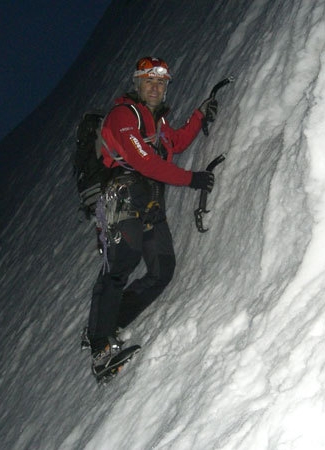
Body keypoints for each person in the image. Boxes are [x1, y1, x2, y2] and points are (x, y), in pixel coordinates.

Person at [87, 56, 219, 374]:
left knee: (162, 270)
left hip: (149, 203)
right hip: (122, 199)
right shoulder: (123, 116)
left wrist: (200, 115)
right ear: (137, 83)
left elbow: (177, 141)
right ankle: (100, 347)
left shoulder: (156, 123)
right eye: (149, 81)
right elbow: (144, 161)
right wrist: (191, 178)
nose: (156, 87)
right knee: (121, 265)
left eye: (161, 82)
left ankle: (108, 322)